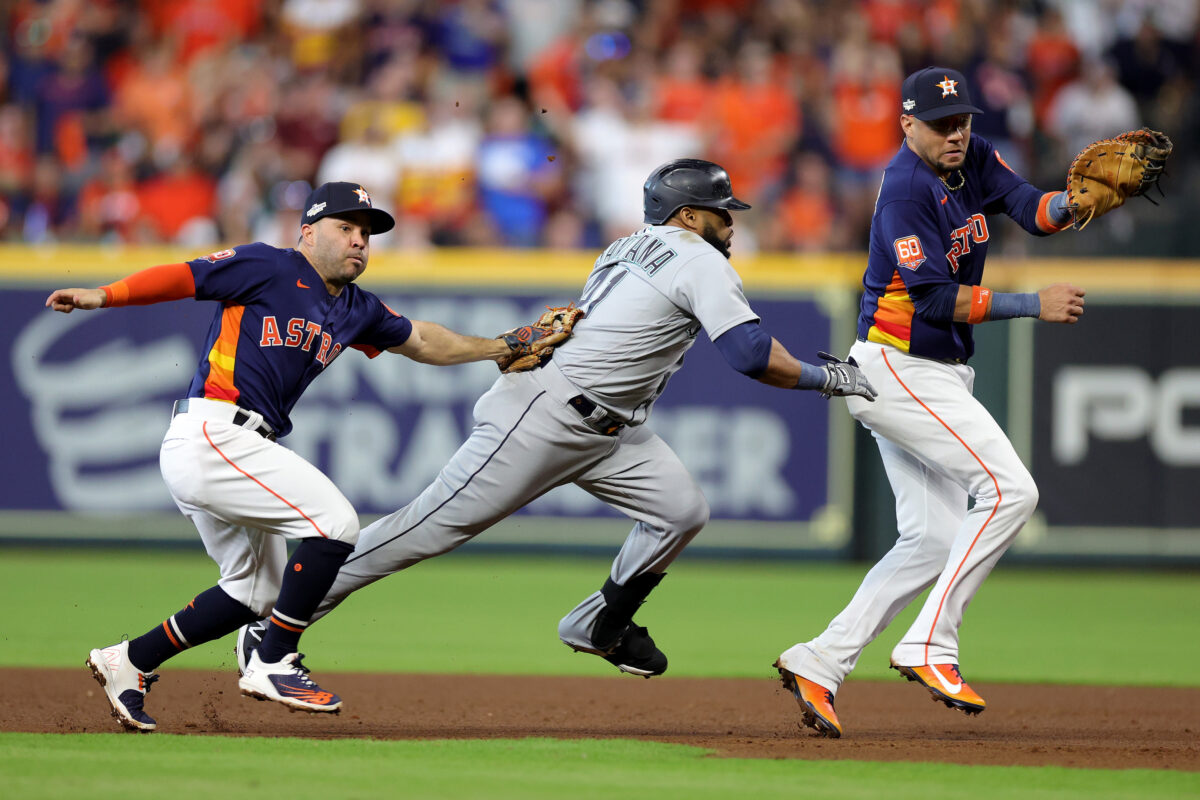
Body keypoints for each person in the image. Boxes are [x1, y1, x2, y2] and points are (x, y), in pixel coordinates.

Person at [235, 159, 878, 680]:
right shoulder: (697, 257)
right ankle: (273, 624)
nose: (731, 224)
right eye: (721, 212)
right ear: (688, 217)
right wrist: (832, 377)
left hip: (612, 429)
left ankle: (600, 624)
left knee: (682, 510)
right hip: (544, 414)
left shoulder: (627, 246)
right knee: (422, 530)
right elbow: (748, 355)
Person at [49, 182, 529, 732]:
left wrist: (502, 347)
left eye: (366, 233)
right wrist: (104, 295)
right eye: (345, 228)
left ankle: (129, 661)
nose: (359, 241)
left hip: (237, 445)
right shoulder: (268, 265)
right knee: (336, 523)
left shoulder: (355, 307)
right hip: (213, 433)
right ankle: (273, 659)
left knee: (256, 591)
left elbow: (421, 341)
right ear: (307, 231)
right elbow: (184, 277)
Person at [774, 67, 1088, 738]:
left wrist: (1068, 205)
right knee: (1010, 492)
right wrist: (1035, 304)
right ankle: (930, 644)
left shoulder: (971, 153)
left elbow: (1027, 206)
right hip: (900, 368)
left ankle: (819, 660)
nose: (957, 132)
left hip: (931, 371)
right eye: (941, 123)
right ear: (906, 125)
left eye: (963, 119)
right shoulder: (904, 193)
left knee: (933, 539)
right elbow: (935, 298)